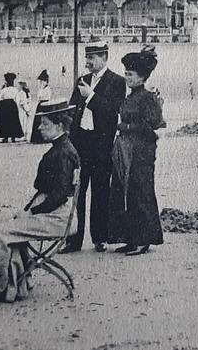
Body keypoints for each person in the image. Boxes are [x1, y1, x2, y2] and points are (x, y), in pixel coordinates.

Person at [0, 101, 80, 304]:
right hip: (57, 212)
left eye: (45, 124)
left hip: (59, 218)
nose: (39, 128)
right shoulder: (63, 148)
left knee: (1, 232)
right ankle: (13, 285)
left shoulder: (63, 153)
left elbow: (59, 195)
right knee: (5, 225)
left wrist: (31, 212)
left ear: (60, 126)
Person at [65, 42, 127, 253]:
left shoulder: (117, 81)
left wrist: (90, 96)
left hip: (101, 145)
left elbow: (112, 112)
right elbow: (72, 109)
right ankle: (73, 240)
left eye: (92, 58)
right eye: (87, 58)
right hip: (80, 142)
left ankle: (100, 238)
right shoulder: (82, 80)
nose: (88, 62)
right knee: (77, 191)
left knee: (101, 191)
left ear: (104, 57)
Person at [108, 46, 165, 255]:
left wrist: (125, 127)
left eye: (130, 74)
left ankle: (144, 239)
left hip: (142, 152)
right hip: (126, 150)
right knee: (126, 193)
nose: (127, 78)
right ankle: (131, 238)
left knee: (141, 192)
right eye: (126, 73)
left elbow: (153, 127)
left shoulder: (147, 98)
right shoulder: (130, 97)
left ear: (141, 78)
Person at [0, 73, 25, 143]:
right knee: (13, 121)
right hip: (12, 105)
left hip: (5, 105)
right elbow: (17, 99)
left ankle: (5, 137)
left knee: (5, 121)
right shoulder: (15, 90)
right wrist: (15, 106)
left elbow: (0, 97)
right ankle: (13, 137)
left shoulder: (4, 90)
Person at [28, 70, 53, 144]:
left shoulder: (48, 89)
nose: (42, 82)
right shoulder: (41, 89)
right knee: (37, 121)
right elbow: (38, 97)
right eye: (41, 81)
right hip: (40, 105)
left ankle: (45, 138)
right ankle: (37, 138)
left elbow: (48, 97)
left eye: (43, 81)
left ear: (46, 81)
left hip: (45, 105)